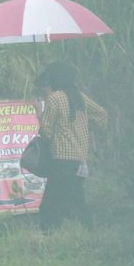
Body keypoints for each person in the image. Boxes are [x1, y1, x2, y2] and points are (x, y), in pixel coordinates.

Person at [37, 61, 108, 230]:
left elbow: (46, 130)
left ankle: (49, 234)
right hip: (80, 157)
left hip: (62, 158)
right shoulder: (79, 96)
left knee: (50, 202)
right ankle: (90, 228)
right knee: (76, 197)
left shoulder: (54, 98)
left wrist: (39, 115)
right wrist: (89, 125)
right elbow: (102, 114)